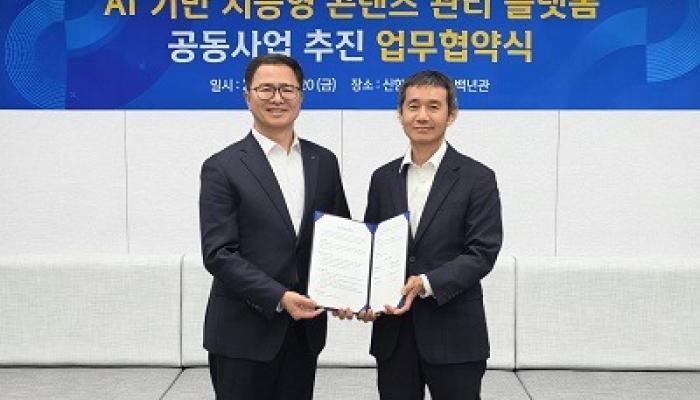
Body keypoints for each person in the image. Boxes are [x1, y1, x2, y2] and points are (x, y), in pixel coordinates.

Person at [199, 54, 350, 400]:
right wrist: (278, 297)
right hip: (242, 333)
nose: (277, 98)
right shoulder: (222, 167)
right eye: (266, 89)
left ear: (301, 96)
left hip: (303, 331)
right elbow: (219, 254)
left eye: (287, 89)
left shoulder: (323, 161)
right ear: (247, 96)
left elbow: (338, 235)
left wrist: (348, 292)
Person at [358, 70, 503, 400]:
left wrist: (426, 283)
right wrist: (364, 298)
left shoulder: (478, 178)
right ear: (400, 114)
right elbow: (372, 247)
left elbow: (482, 252)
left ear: (451, 115)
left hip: (455, 334)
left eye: (433, 106)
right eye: (413, 106)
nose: (422, 116)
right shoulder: (383, 178)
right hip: (394, 335)